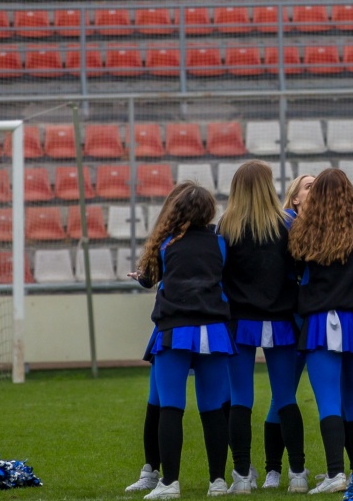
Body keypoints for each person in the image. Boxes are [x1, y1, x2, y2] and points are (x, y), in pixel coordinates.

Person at [131, 184, 235, 500]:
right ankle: (218, 481)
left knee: (171, 407)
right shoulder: (220, 242)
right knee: (213, 408)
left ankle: (169, 483)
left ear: (177, 211)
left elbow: (149, 278)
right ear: (209, 211)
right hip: (213, 331)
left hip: (175, 330)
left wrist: (141, 276)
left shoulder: (166, 244)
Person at [218, 161, 309, 494]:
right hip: (281, 320)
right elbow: (300, 270)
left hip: (239, 321)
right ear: (268, 186)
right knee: (285, 397)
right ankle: (297, 474)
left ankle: (242, 476)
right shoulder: (287, 224)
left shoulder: (225, 226)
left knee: (240, 398)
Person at [289, 168, 353, 494]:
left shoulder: (304, 231)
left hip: (320, 322)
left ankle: (335, 474)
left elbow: (296, 272)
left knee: (329, 400)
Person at [126, 182, 195, 494]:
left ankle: (234, 472)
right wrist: (142, 277)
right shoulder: (165, 241)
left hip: (198, 324)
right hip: (169, 326)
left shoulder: (209, 240)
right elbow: (150, 276)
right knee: (156, 402)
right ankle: (151, 471)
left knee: (217, 402)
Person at [261, 172, 315, 488]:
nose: (315, 190)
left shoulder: (333, 225)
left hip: (318, 320)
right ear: (294, 198)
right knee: (283, 393)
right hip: (291, 319)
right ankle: (274, 469)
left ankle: (339, 469)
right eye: (309, 186)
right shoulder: (284, 224)